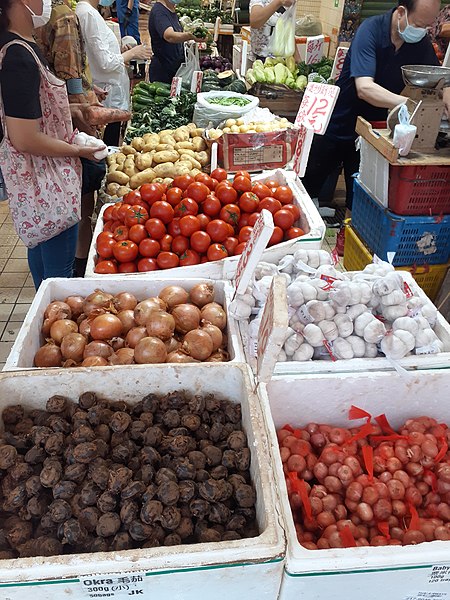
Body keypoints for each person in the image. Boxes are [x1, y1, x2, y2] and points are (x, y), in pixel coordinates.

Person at [302, 0, 450, 223]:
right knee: (312, 180)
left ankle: (349, 234)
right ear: (401, 13)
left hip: (375, 130)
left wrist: (446, 98)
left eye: (428, 27)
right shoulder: (370, 30)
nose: (424, 32)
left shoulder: (419, 42)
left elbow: (439, 79)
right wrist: (411, 105)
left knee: (361, 192)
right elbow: (365, 88)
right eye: (420, 24)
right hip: (342, 119)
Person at [0, 0, 101, 289]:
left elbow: (29, 110)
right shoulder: (17, 57)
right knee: (58, 276)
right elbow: (24, 137)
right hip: (45, 179)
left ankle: (45, 309)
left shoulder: (19, 45)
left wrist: (72, 110)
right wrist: (79, 151)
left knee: (40, 245)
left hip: (37, 179)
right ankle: (56, 323)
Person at [35, 0, 107, 277]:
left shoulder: (35, 20)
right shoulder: (64, 15)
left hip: (47, 119)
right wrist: (82, 106)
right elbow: (69, 72)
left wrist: (88, 88)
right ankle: (78, 268)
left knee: (48, 220)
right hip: (68, 123)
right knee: (79, 202)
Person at [76, 0, 151, 146]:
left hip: (106, 88)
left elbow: (97, 53)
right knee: (107, 145)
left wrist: (121, 51)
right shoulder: (88, 14)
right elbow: (105, 62)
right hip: (107, 93)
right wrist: (132, 52)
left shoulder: (89, 12)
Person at [148, 0, 201, 84]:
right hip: (163, 71)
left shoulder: (171, 9)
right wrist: (190, 36)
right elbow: (169, 36)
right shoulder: (159, 12)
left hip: (173, 66)